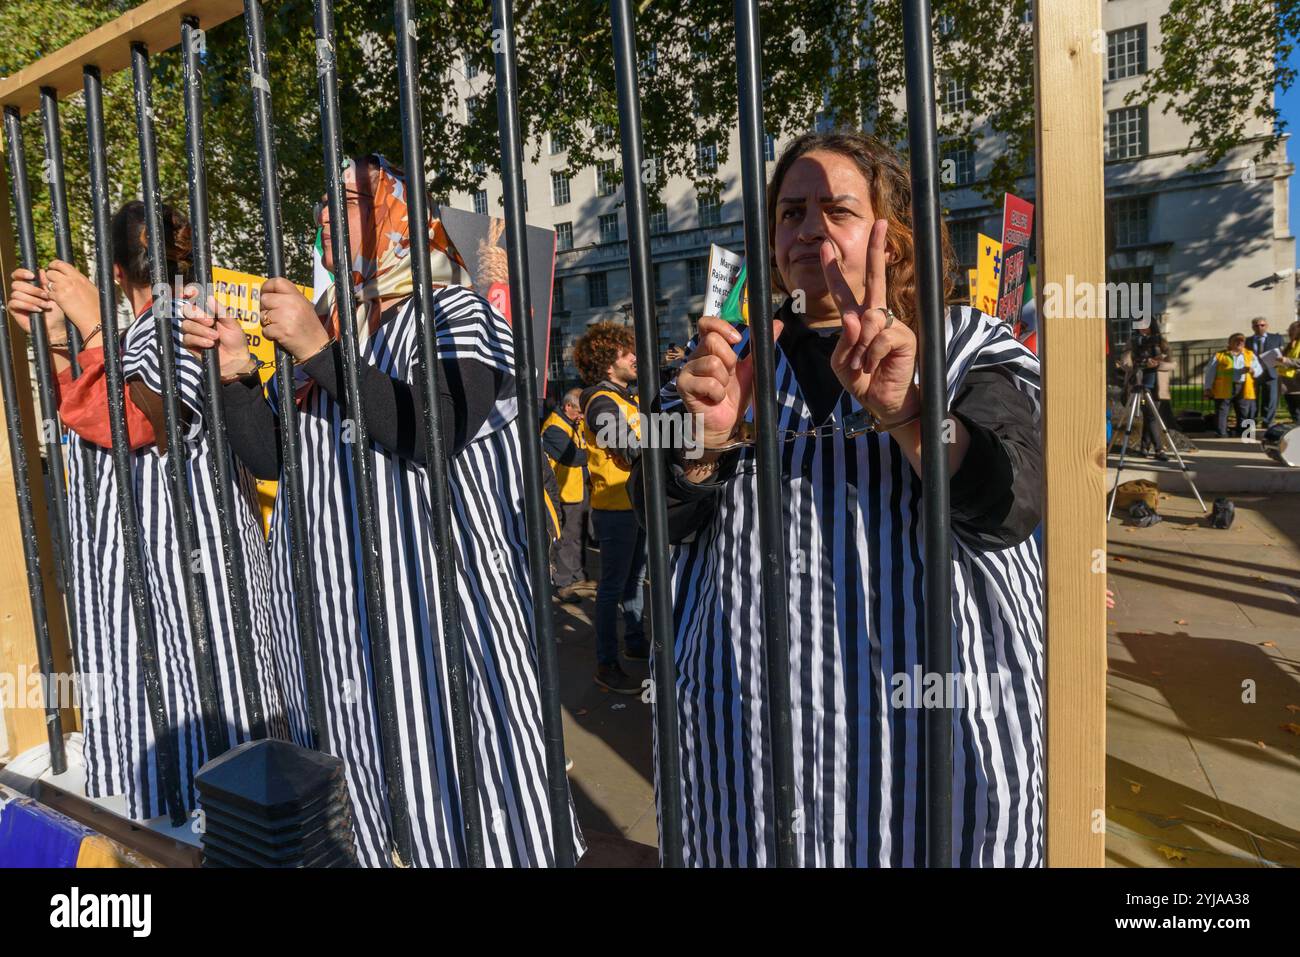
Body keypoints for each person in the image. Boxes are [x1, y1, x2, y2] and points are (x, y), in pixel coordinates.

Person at [632, 130, 1044, 866]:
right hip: (750, 746)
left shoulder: (963, 345)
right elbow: (657, 517)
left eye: (837, 209)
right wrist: (704, 444)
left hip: (921, 739)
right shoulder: (722, 359)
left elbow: (1012, 501)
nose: (808, 229)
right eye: (790, 213)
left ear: (893, 239)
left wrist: (912, 413)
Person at [182, 153, 581, 867]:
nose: (329, 215)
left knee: (471, 813)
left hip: (440, 629)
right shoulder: (332, 330)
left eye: (352, 200)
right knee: (365, 819)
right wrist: (241, 374)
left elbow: (434, 428)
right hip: (345, 638)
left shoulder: (451, 311)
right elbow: (277, 457)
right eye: (325, 202)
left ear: (401, 214)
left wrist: (316, 347)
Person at [5, 201, 293, 821]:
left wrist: (86, 332)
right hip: (159, 557)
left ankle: (207, 816)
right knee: (189, 690)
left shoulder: (172, 323)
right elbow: (89, 420)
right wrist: (60, 341)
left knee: (200, 688)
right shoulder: (176, 319)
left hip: (188, 558)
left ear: (113, 271)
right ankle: (204, 812)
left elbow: (140, 423)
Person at [573, 322, 649, 694]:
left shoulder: (625, 397)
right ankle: (607, 662)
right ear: (607, 363)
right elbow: (624, 443)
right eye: (625, 351)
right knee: (612, 587)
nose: (635, 356)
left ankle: (634, 643)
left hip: (632, 504)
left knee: (633, 580)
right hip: (616, 507)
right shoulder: (600, 399)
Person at [541, 387, 591, 601]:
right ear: (568, 406)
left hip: (579, 489)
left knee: (579, 536)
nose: (581, 416)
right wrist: (596, 451)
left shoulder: (573, 423)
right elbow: (575, 457)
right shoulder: (554, 428)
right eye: (579, 411)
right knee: (565, 539)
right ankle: (564, 583)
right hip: (564, 492)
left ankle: (577, 575)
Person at [1203, 333, 1263, 437]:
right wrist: (1208, 387)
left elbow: (1259, 369)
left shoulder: (1249, 354)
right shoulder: (1219, 355)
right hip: (1224, 386)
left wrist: (1253, 371)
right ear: (1229, 343)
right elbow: (1210, 372)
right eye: (1236, 340)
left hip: (1244, 386)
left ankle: (1243, 432)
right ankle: (1221, 433)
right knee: (1222, 410)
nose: (1239, 342)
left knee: (1243, 410)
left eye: (1242, 341)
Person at [1127, 321, 1171, 459]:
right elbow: (1125, 362)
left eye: (1145, 324)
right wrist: (1140, 363)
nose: (1142, 328)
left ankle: (1144, 448)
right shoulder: (1133, 341)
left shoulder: (1161, 342)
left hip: (1157, 388)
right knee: (1150, 414)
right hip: (1141, 387)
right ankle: (1159, 450)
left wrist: (1158, 364)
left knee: (1150, 416)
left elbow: (1172, 364)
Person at [1246, 318, 1283, 427]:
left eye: (1262, 325)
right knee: (1252, 399)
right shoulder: (1247, 341)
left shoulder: (1277, 338)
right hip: (1254, 374)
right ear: (1252, 327)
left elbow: (1282, 352)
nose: (1259, 327)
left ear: (1267, 326)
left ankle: (1268, 422)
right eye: (1256, 326)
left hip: (1271, 372)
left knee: (1271, 399)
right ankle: (1251, 423)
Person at [1278, 319, 1300, 421]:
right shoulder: (1290, 345)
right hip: (1288, 384)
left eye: (1292, 330)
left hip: (1297, 383)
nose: (1289, 332)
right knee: (1294, 412)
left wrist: (1287, 360)